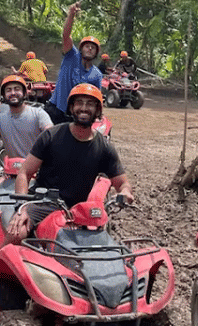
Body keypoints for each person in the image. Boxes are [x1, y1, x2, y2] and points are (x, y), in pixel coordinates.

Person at [9, 83, 132, 241]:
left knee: (101, 247)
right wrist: (21, 208)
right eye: (79, 103)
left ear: (98, 109)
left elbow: (123, 183)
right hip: (43, 204)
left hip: (79, 212)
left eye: (90, 104)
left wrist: (125, 192)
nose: (84, 108)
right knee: (16, 232)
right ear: (71, 107)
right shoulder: (51, 136)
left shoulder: (105, 147)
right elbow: (24, 173)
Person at [0, 74, 53, 180]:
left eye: (17, 89)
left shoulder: (38, 114)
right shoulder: (0, 119)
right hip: (12, 171)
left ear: (25, 93)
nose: (13, 93)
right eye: (8, 90)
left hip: (38, 171)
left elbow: (50, 133)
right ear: (4, 96)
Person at [46, 2, 103, 124]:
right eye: (87, 46)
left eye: (93, 48)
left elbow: (96, 97)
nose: (90, 49)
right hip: (56, 109)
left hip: (77, 116)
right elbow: (66, 36)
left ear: (96, 53)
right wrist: (71, 15)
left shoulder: (97, 74)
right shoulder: (71, 56)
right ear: (81, 48)